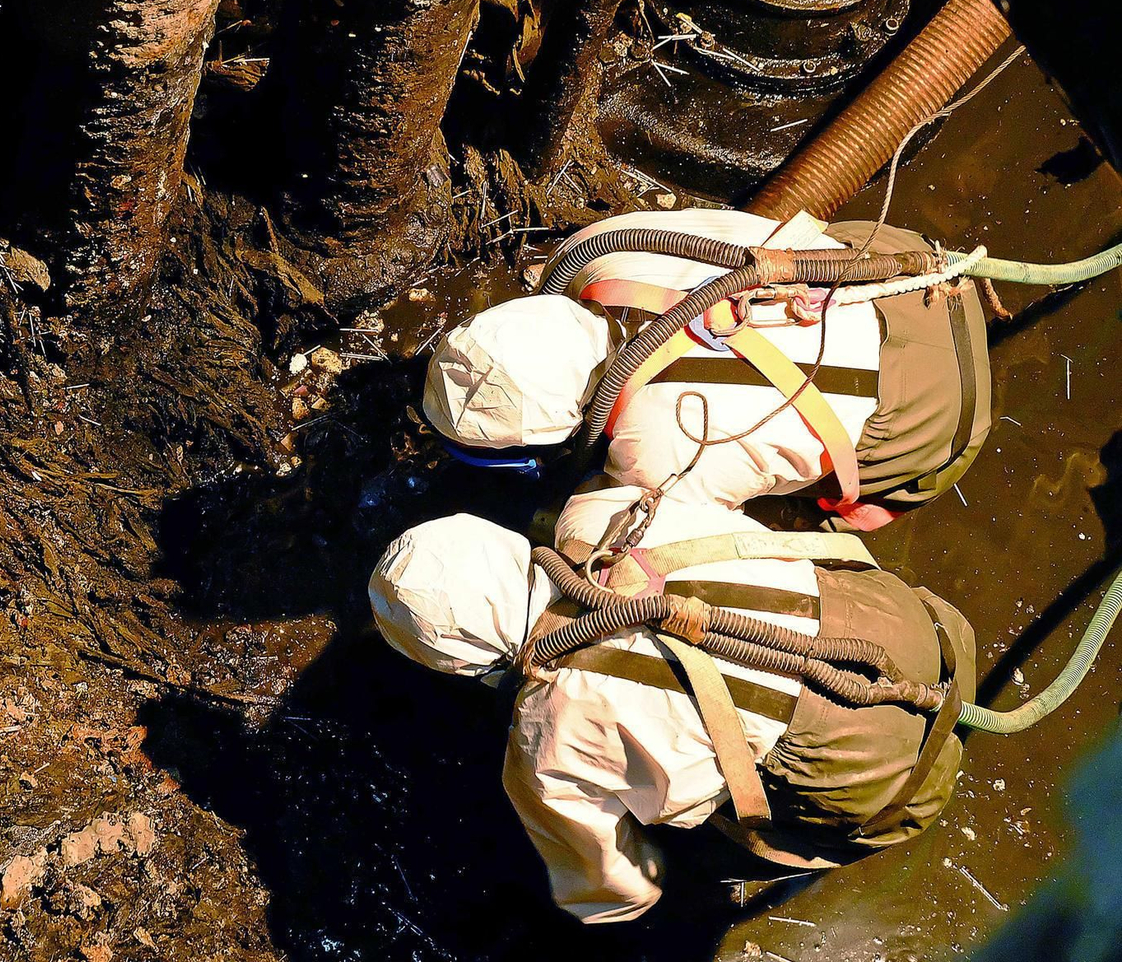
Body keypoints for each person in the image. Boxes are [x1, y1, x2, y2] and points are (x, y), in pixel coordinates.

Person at [368, 485, 974, 923]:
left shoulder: (548, 729)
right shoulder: (602, 511)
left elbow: (617, 891)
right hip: (929, 635)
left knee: (693, 848)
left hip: (895, 782)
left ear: (464, 665)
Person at [423, 209, 991, 528]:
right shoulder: (600, 251)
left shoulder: (652, 458)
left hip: (940, 422)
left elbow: (679, 544)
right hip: (913, 275)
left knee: (843, 514)